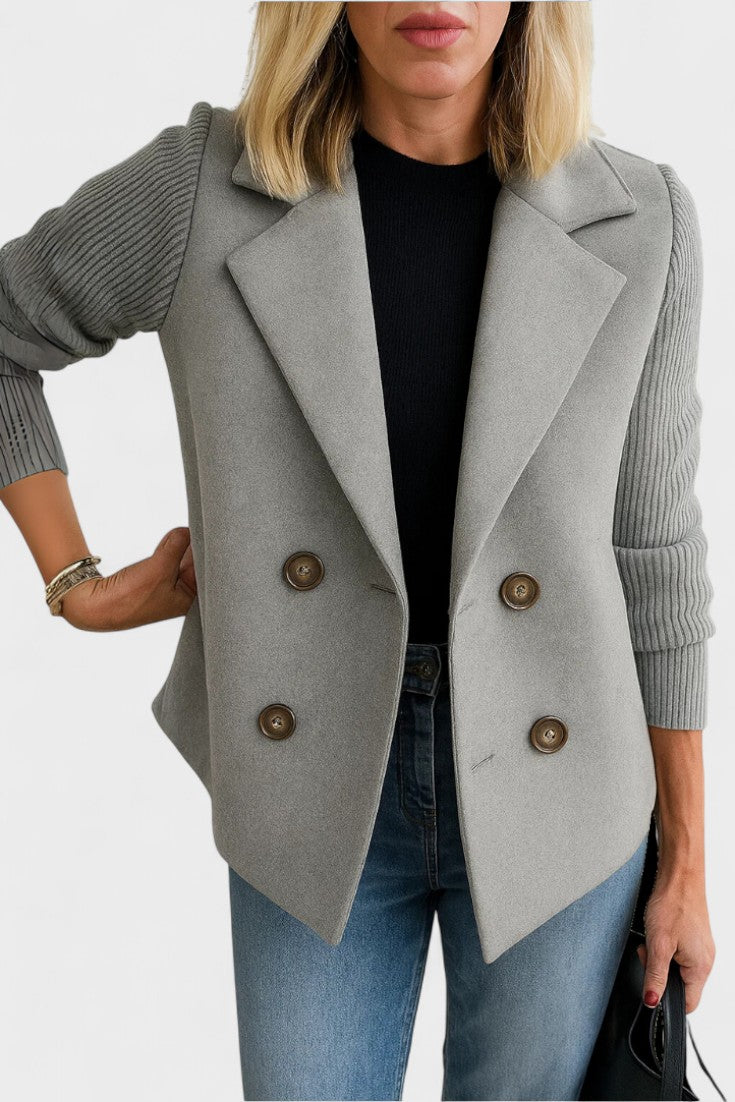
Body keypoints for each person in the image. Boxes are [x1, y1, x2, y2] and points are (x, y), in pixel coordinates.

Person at [0, 3, 717, 1099]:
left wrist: (688, 861)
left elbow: (655, 548)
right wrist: (76, 583)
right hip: (306, 776)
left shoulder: (640, 215)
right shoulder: (205, 187)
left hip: (567, 788)